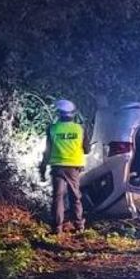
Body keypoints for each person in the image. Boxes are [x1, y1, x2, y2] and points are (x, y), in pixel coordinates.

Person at [39, 99, 90, 234]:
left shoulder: (52, 128)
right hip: (73, 167)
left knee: (58, 196)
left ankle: (57, 228)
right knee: (75, 195)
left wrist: (42, 168)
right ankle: (78, 225)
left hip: (57, 167)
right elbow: (87, 149)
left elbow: (47, 151)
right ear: (73, 114)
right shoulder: (80, 129)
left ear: (59, 113)